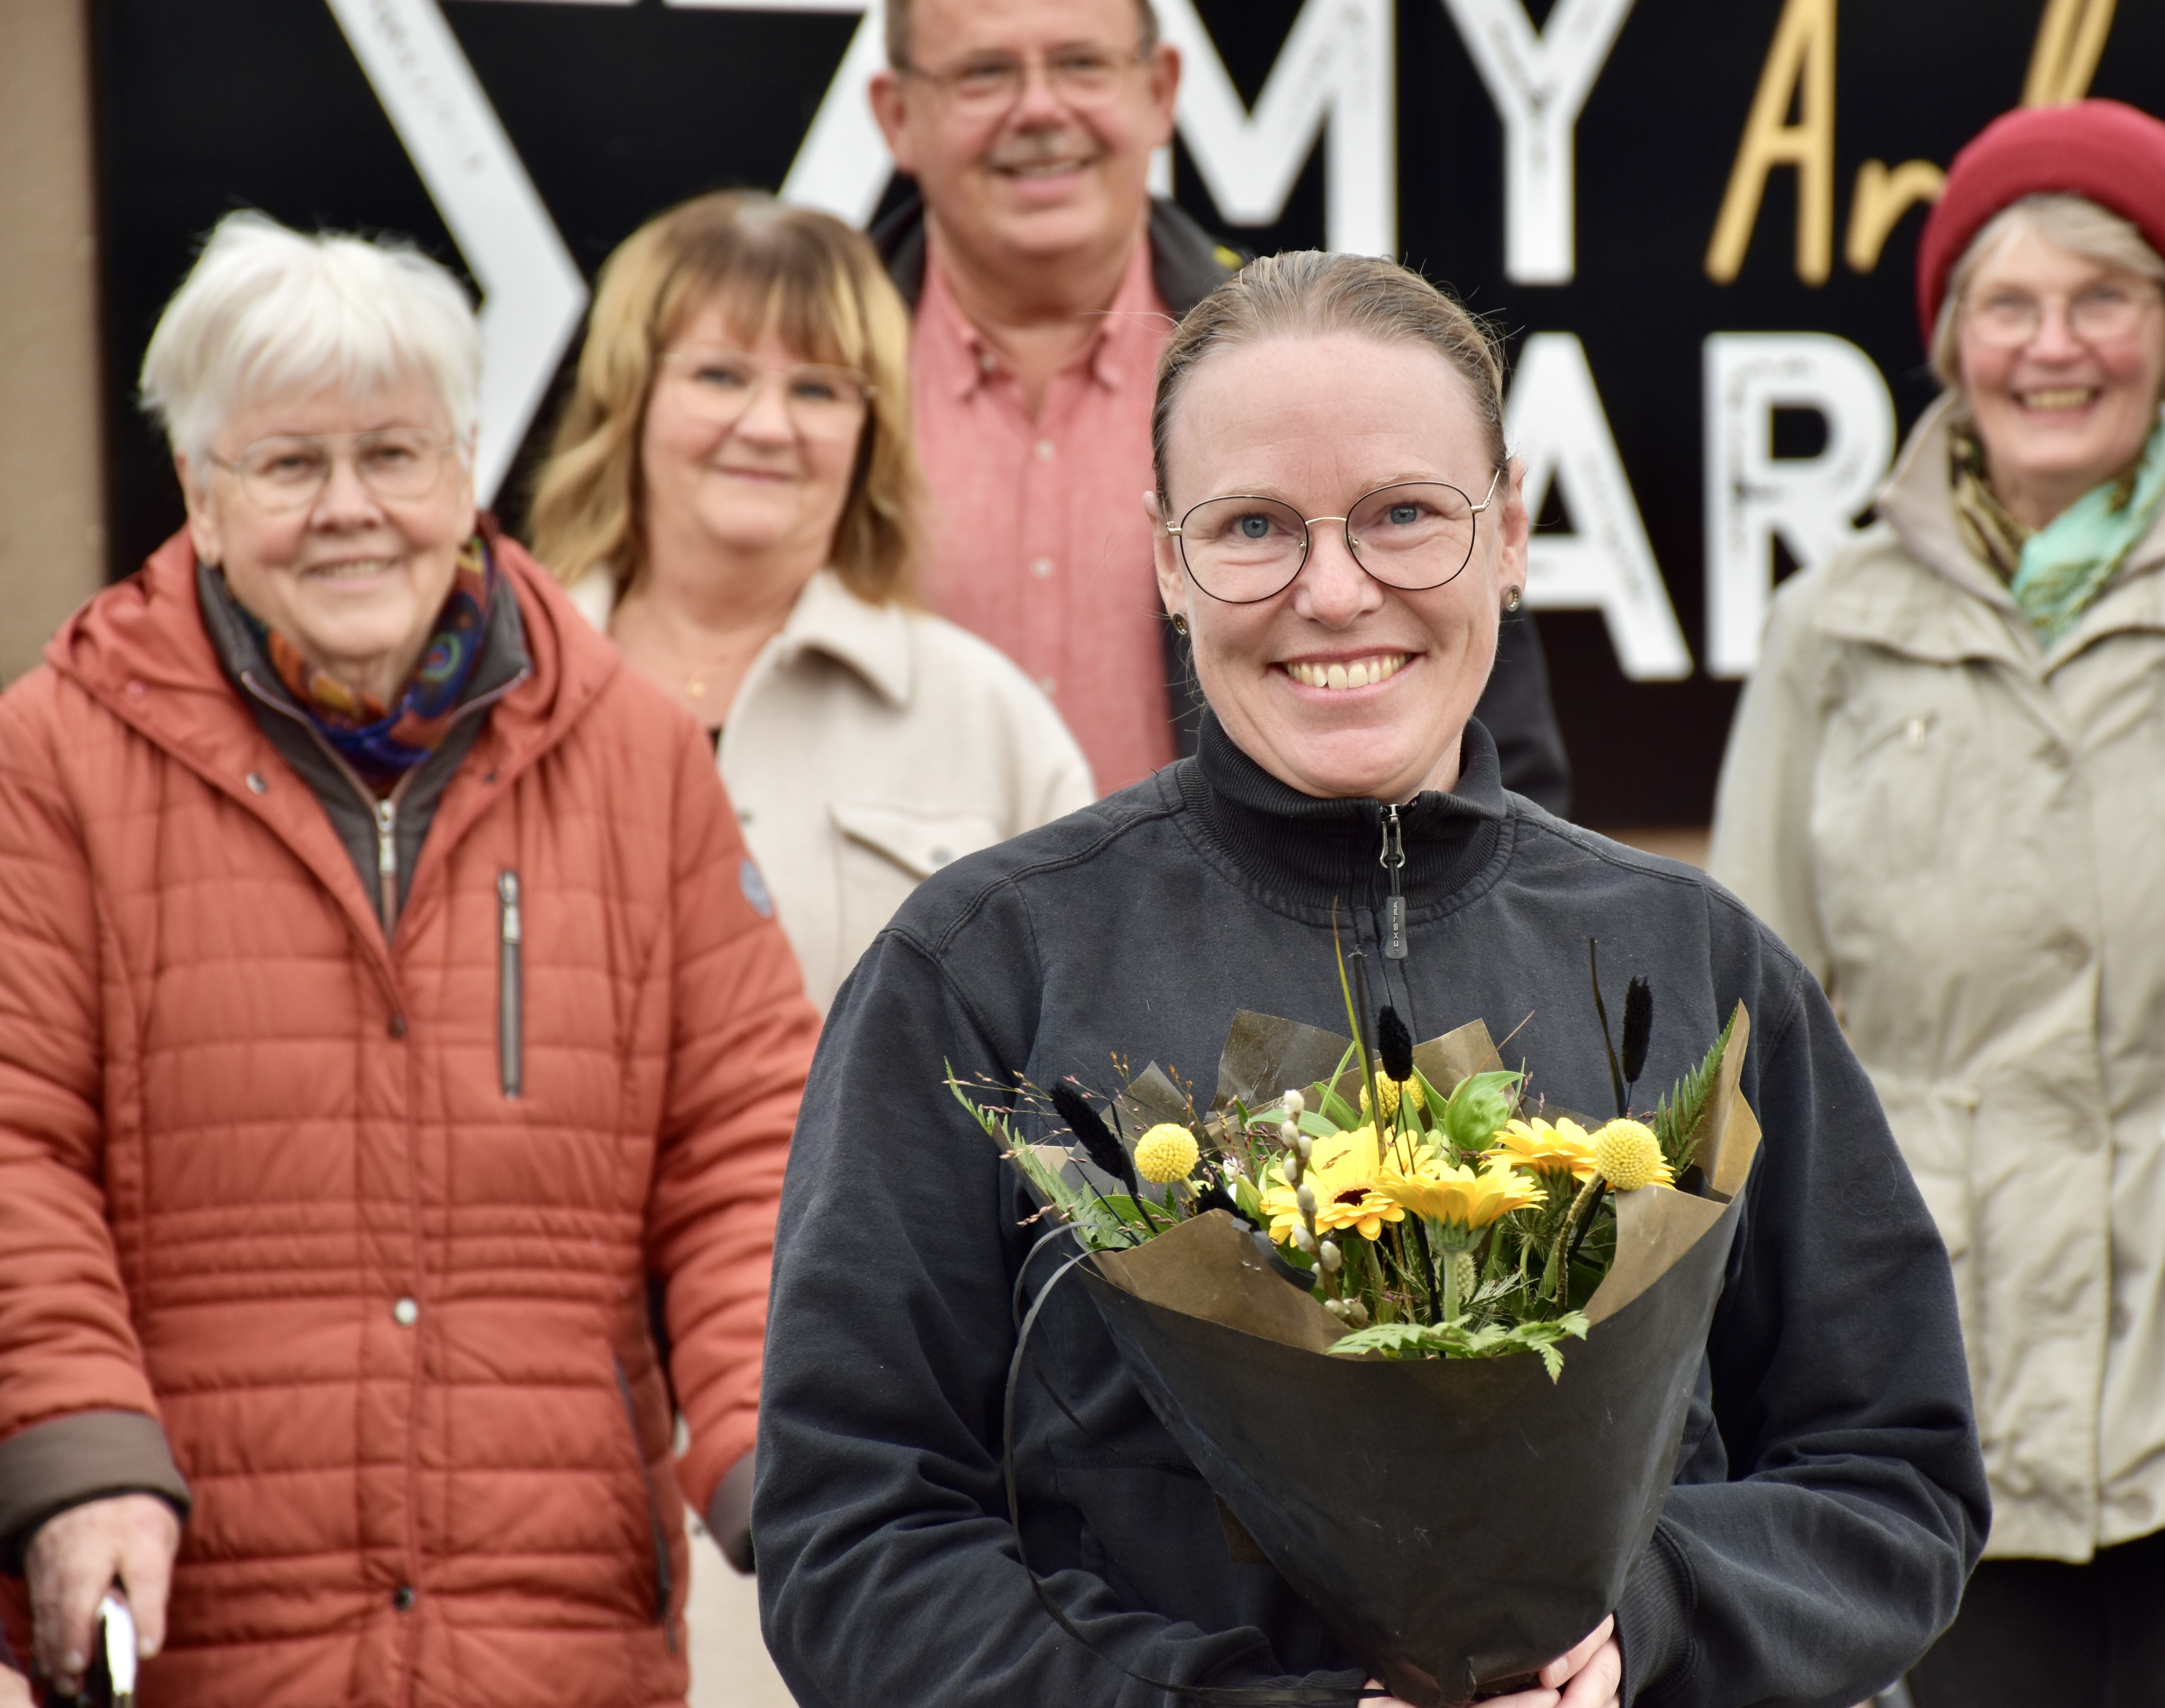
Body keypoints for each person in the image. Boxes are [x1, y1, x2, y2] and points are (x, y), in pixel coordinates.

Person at [754, 250, 1986, 1708]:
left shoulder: (1694, 968)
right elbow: (852, 1538)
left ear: (1513, 532)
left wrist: (1645, 1625)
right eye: (1254, 527)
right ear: (1164, 558)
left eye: (1407, 516)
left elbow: (1892, 1480)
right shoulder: (984, 975)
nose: (1334, 593)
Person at [0, 213, 819, 1705]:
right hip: (209, 1624)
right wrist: (75, 1456)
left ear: (465, 465)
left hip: (556, 1630)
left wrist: (791, 1453)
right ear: (197, 485)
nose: (350, 510)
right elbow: (13, 1143)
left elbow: (750, 1142)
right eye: (289, 464)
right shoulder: (55, 753)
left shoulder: (631, 751)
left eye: (392, 454)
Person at [1712, 100, 2165, 1707]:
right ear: (1950, 338)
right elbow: (1752, 1024)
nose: (2055, 347)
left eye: (2105, 300)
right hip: (1924, 1386)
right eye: (2008, 305)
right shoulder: (1834, 624)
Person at [864, 0, 1575, 810]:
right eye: (985, 72)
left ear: (1160, 89)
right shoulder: (799, 384)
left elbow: (1494, 762)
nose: (1040, 109)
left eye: (1081, 64)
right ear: (897, 115)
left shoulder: (1311, 360)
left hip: (1272, 933)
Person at [531, 190, 1093, 1015]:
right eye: (721, 375)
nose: (767, 425)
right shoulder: (505, 691)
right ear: (629, 398)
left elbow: (1073, 1057)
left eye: (820, 391)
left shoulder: (987, 722)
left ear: (872, 430)